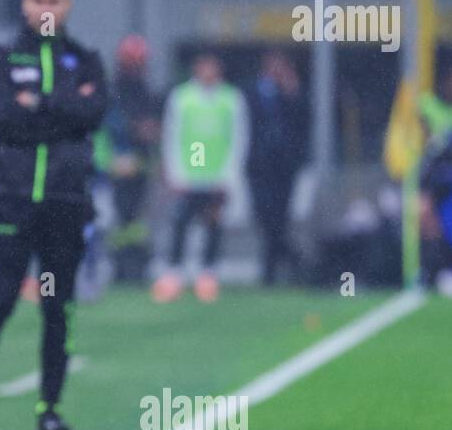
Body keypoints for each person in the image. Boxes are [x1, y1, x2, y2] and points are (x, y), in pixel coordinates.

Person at [0, 0, 107, 430]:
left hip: (65, 204)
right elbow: (5, 118)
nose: (46, 8)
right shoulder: (2, 57)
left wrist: (37, 102)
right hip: (12, 204)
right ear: (25, 4)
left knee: (58, 308)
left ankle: (49, 409)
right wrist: (59, 108)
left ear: (68, 4)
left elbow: (91, 115)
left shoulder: (86, 60)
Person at [153, 52, 249, 303]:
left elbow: (239, 138)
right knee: (180, 223)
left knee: (213, 226)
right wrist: (175, 173)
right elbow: (172, 135)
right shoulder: (182, 97)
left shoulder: (231, 99)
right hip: (188, 176)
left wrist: (230, 174)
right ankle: (173, 275)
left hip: (216, 176)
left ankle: (208, 276)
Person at [245, 51, 307, 285]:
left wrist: (293, 93)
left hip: (284, 167)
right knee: (265, 217)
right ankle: (292, 259)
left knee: (280, 218)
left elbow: (301, 122)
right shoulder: (250, 92)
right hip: (258, 167)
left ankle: (269, 273)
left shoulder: (290, 93)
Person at [103, 34, 160, 282]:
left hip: (141, 164)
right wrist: (135, 129)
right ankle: (122, 268)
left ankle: (137, 266)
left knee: (137, 220)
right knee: (123, 216)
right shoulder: (115, 90)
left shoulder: (145, 91)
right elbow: (111, 123)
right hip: (121, 162)